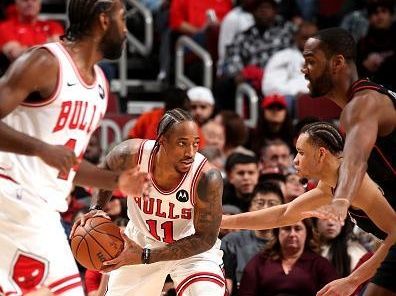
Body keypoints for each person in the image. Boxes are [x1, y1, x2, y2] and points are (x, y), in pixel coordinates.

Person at [0, 0, 150, 295]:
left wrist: (118, 182)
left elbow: (69, 163)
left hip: (39, 207)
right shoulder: (45, 62)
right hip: (13, 197)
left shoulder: (99, 88)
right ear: (104, 20)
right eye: (122, 18)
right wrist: (41, 149)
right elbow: (51, 153)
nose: (126, 29)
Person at [221, 122, 396, 296]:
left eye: (301, 153)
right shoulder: (330, 183)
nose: (295, 160)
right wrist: (222, 221)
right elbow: (283, 214)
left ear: (321, 154)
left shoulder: (356, 182)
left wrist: (352, 280)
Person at [72, 108, 226, 295]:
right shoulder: (130, 154)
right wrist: (96, 209)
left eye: (195, 144)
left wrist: (146, 256)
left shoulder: (206, 177)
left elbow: (205, 239)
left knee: (205, 292)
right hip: (140, 239)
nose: (190, 153)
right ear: (162, 141)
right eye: (182, 143)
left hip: (190, 245)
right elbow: (105, 172)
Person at [302, 27, 395, 296]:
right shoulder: (359, 108)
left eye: (311, 61)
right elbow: (285, 213)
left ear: (338, 62)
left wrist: (341, 200)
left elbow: (356, 160)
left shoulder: (364, 104)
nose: (303, 69)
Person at [239, 219, 339, 296]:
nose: (292, 234)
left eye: (298, 229)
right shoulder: (259, 262)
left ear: (307, 233)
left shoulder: (320, 264)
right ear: (277, 233)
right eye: (287, 229)